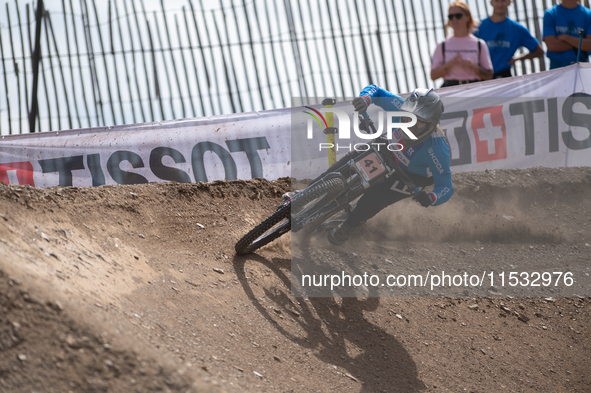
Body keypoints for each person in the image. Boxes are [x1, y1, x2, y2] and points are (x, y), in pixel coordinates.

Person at [326, 86, 454, 246]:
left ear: (431, 125)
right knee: (345, 166)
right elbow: (377, 92)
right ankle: (305, 193)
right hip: (390, 149)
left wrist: (431, 197)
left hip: (413, 176)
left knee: (373, 199)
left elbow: (446, 186)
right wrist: (365, 99)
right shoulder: (398, 106)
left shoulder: (438, 148)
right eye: (407, 118)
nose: (410, 126)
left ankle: (348, 226)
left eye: (419, 123)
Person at [431, 1, 494, 87]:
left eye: (458, 16)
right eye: (450, 16)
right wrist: (450, 64)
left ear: (467, 17)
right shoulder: (442, 45)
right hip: (450, 91)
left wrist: (473, 66)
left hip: (474, 90)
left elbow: (489, 75)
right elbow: (433, 75)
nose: (454, 19)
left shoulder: (479, 44)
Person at [476, 0, 544, 78]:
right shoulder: (478, 27)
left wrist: (517, 58)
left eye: (504, 1)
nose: (500, 4)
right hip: (481, 75)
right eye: (497, 1)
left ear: (509, 2)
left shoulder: (517, 29)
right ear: (491, 2)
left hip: (503, 75)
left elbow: (539, 51)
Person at [543, 0, 591, 69]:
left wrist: (566, 38)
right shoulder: (550, 14)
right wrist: (580, 43)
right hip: (557, 68)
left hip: (581, 66)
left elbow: (589, 45)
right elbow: (552, 46)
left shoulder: (588, 15)